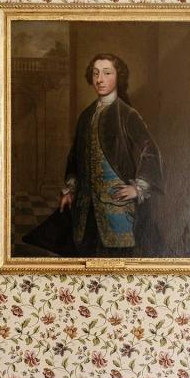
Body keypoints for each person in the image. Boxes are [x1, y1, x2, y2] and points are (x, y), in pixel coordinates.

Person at [59, 53, 163, 256]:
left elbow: (150, 151)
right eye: (96, 73)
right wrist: (69, 190)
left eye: (107, 73)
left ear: (118, 77)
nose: (100, 79)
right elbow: (75, 157)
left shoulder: (127, 114)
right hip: (86, 211)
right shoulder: (86, 115)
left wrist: (138, 188)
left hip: (118, 209)